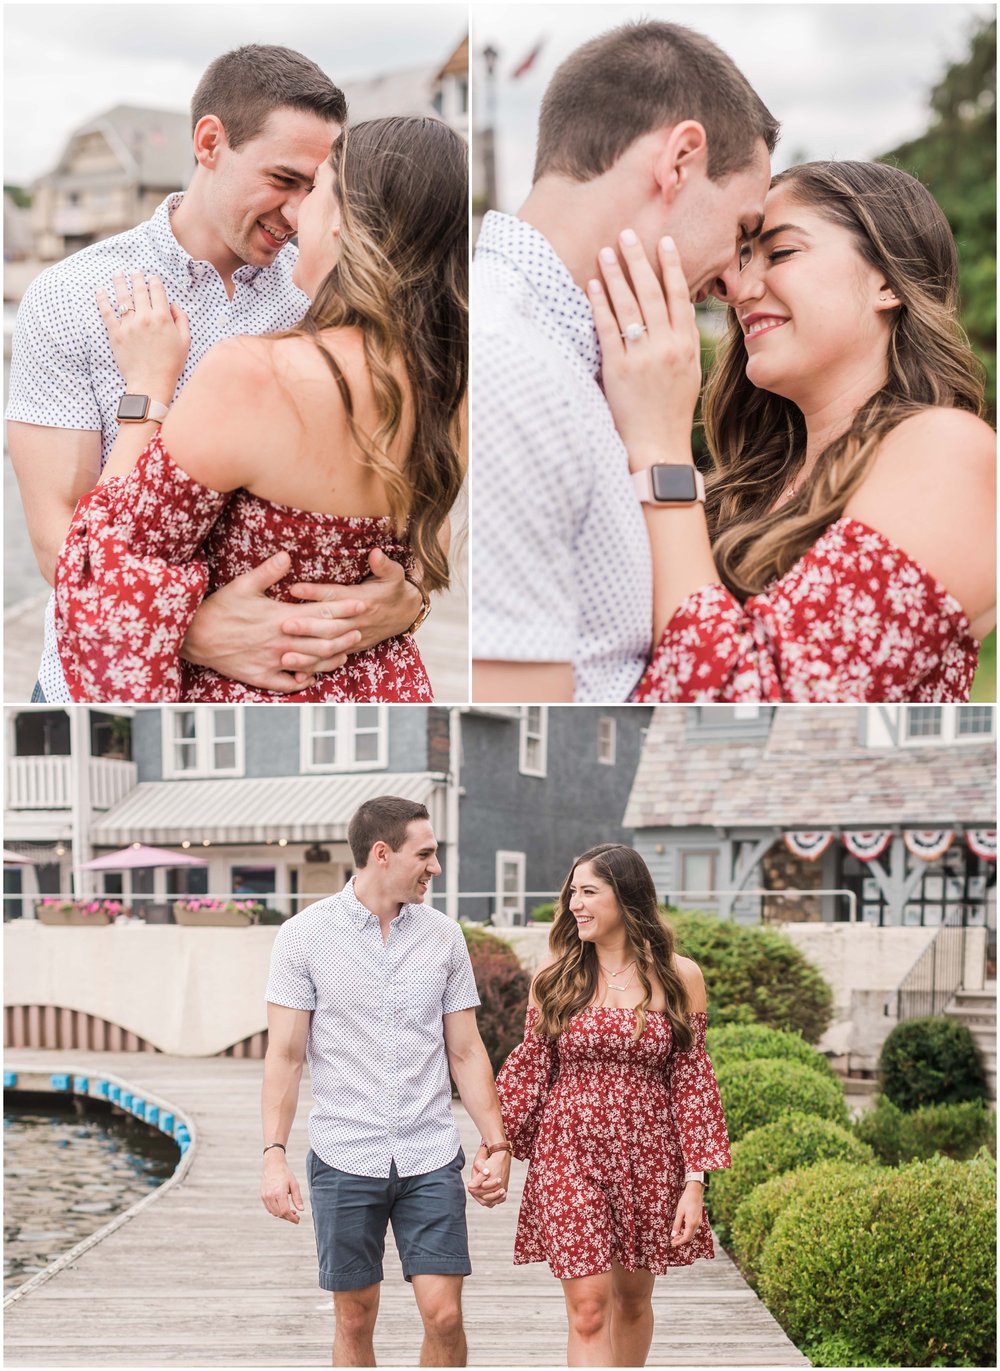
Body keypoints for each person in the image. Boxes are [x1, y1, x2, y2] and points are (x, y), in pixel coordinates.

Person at [6, 44, 423, 703]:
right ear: (209, 142)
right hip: (97, 685)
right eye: (283, 179)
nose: (296, 213)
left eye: (316, 190)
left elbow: (402, 484)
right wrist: (193, 630)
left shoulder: (325, 299)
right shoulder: (70, 297)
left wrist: (412, 597)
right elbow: (54, 535)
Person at [589, 159, 996, 702]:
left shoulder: (949, 452)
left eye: (780, 253)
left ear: (888, 282)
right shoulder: (749, 485)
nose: (736, 286)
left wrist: (663, 448)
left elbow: (751, 703)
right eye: (740, 257)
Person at [470, 20, 779, 703]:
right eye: (743, 230)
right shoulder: (512, 365)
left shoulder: (579, 358)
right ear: (679, 161)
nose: (733, 280)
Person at [261, 796, 510, 1368]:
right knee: (354, 1318)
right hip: (344, 1154)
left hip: (430, 1153)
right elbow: (285, 1055)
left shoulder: (444, 937)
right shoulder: (303, 936)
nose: (436, 867)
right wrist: (274, 1155)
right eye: (425, 854)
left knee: (444, 1316)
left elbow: (467, 1050)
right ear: (381, 854)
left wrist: (496, 1143)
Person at [482, 844, 729, 1367]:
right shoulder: (555, 977)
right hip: (568, 1153)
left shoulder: (680, 975)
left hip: (649, 1158)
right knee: (589, 1310)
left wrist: (695, 1182)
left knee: (633, 1301)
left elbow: (693, 1080)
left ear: (627, 897)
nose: (575, 904)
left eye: (589, 892)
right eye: (572, 892)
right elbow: (531, 1070)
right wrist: (496, 1146)